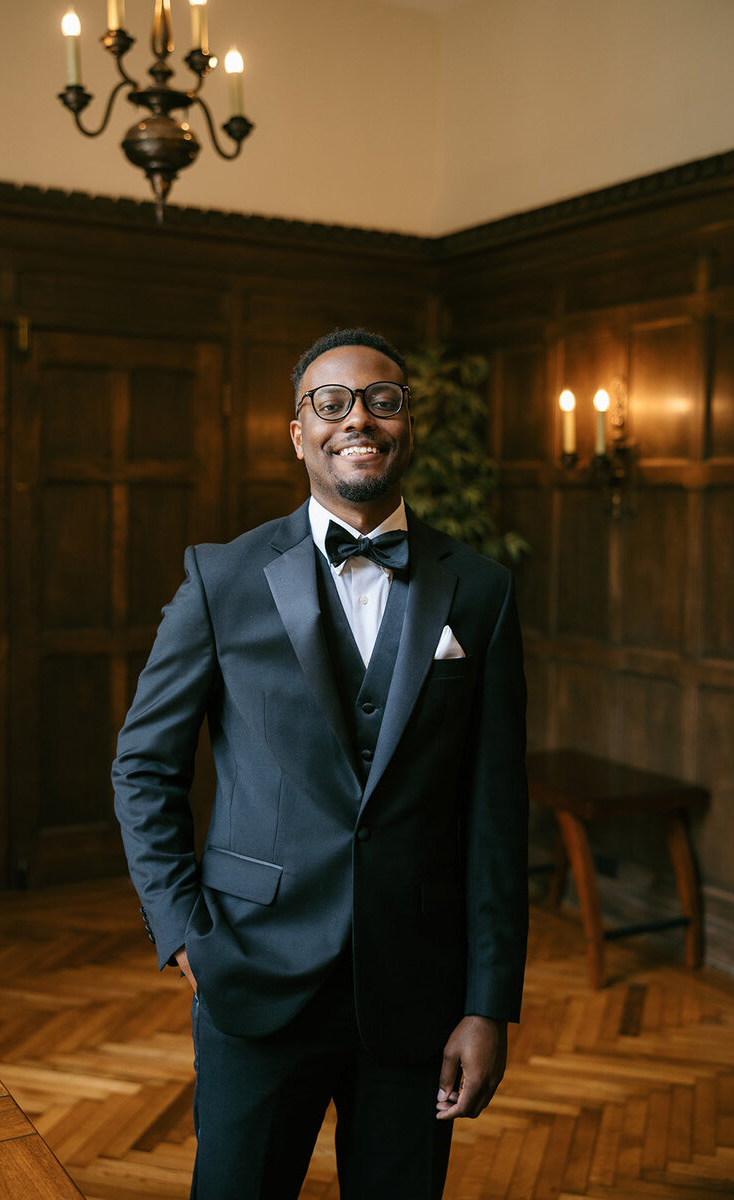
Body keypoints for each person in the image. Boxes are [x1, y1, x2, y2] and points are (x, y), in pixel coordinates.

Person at [112, 327, 528, 1200]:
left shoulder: (481, 590)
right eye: (330, 403)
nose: (359, 420)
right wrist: (184, 931)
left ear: (407, 425)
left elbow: (496, 811)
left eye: (383, 399)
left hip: (418, 991)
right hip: (254, 978)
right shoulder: (221, 578)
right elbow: (143, 767)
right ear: (298, 431)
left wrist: (489, 1002)